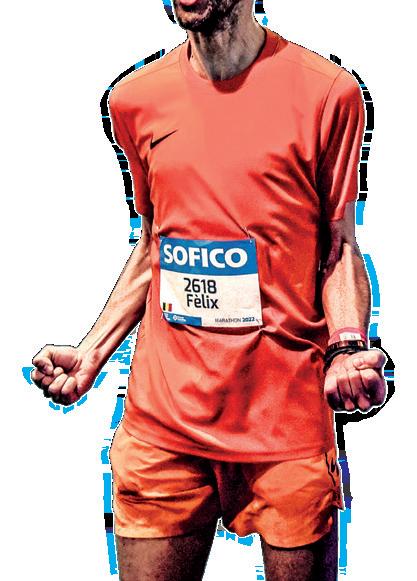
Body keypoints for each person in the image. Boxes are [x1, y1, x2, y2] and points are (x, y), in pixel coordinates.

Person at [31, 1, 387, 579]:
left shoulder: (328, 94)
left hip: (285, 423)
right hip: (163, 424)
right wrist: (92, 353)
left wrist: (347, 346)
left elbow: (339, 245)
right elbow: (156, 242)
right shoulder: (135, 100)